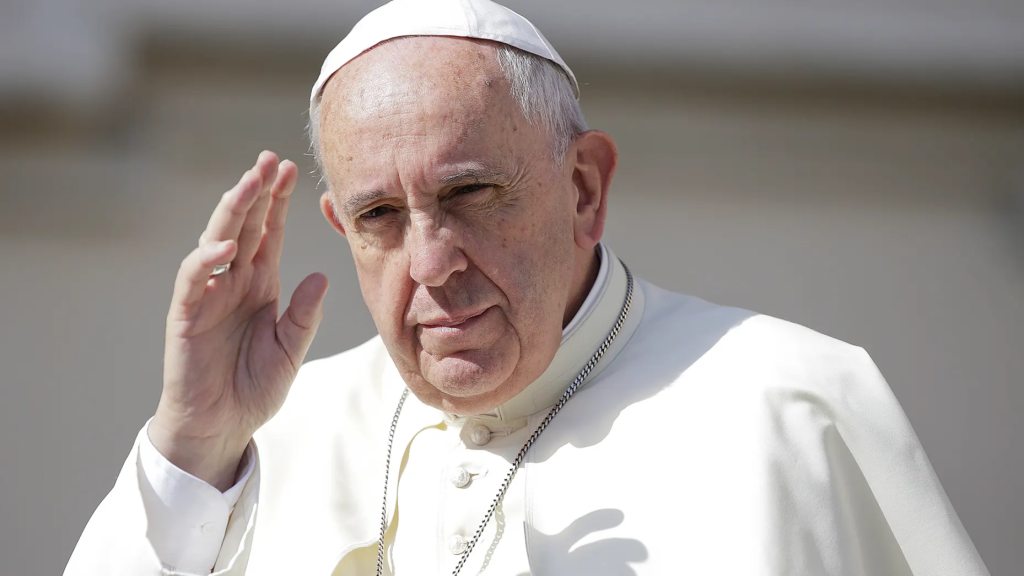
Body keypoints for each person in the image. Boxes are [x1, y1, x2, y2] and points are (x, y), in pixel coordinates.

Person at [64, 0, 990, 574]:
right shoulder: (264, 442)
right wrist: (192, 448)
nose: (431, 264)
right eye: (382, 217)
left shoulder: (792, 405)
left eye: (470, 194)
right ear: (343, 230)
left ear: (583, 189)